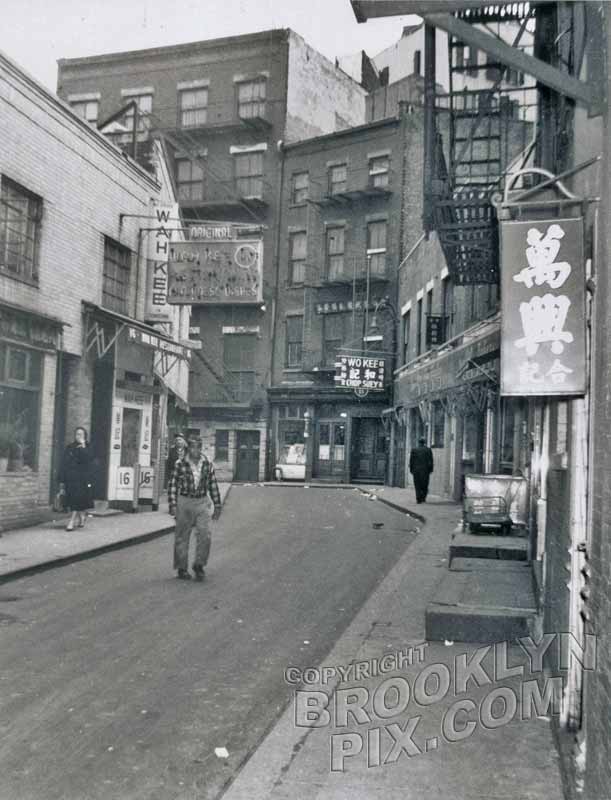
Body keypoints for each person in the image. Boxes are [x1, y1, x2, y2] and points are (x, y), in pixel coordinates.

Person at [168, 435, 222, 581]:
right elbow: (173, 484)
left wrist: (217, 505)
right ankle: (181, 568)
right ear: (188, 448)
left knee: (205, 534)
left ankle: (199, 565)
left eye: (198, 447)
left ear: (201, 448)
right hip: (184, 501)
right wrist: (172, 504)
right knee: (182, 536)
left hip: (202, 502)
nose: (195, 450)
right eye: (192, 447)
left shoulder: (207, 464)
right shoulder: (180, 463)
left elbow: (212, 484)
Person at [59, 426, 94, 531]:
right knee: (75, 499)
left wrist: (83, 446)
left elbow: (88, 460)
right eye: (77, 434)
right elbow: (64, 463)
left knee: (77, 499)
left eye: (81, 434)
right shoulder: (70, 447)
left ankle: (71, 522)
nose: (78, 436)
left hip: (83, 479)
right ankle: (82, 517)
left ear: (85, 436)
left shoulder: (88, 447)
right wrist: (62, 480)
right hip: (71, 478)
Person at [409, 436, 434, 504]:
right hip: (425, 471)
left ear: (418, 442)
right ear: (424, 442)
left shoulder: (414, 450)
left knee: (417, 485)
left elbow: (411, 461)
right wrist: (431, 469)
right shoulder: (428, 450)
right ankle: (423, 497)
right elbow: (431, 461)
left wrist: (411, 469)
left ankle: (418, 498)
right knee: (425, 484)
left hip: (416, 470)